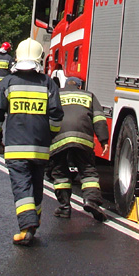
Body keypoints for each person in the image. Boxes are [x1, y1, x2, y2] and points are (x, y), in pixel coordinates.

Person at [0, 38, 63, 246]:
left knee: (22, 186)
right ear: (40, 58)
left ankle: (27, 226)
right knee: (37, 185)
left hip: (15, 148)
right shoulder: (47, 82)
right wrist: (51, 133)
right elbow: (56, 114)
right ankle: (35, 220)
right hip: (40, 148)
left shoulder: (8, 82)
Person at [48, 77, 110, 221]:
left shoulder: (55, 94)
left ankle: (64, 207)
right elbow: (99, 119)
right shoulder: (89, 95)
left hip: (59, 138)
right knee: (88, 171)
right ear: (80, 87)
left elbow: (46, 115)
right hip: (83, 138)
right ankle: (91, 201)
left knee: (60, 171)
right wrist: (104, 140)